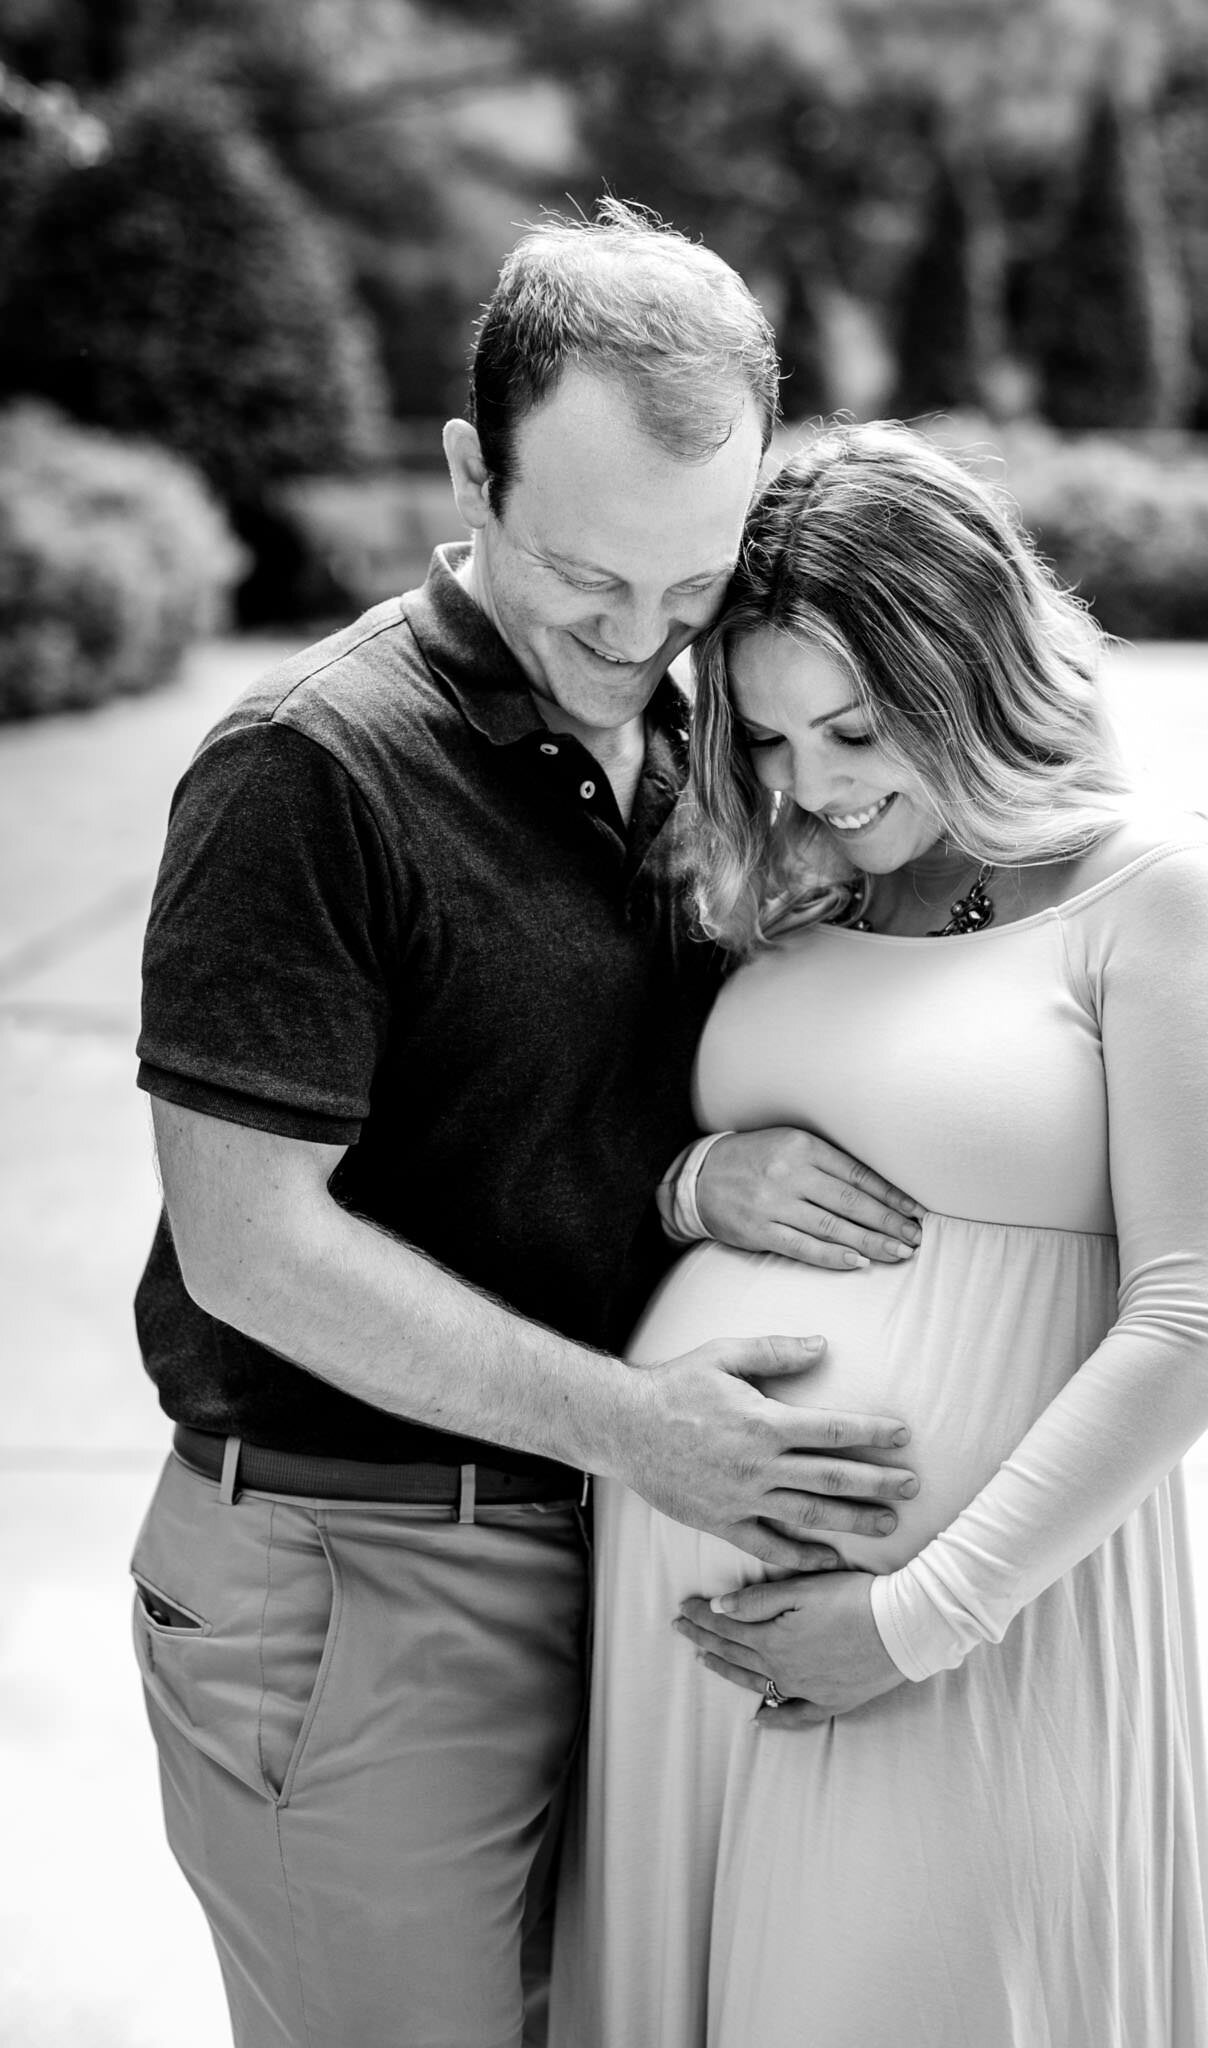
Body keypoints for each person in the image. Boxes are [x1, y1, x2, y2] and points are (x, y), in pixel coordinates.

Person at [127, 208, 928, 2048]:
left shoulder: (697, 738)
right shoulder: (307, 772)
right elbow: (255, 1247)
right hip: (355, 1583)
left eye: (690, 586)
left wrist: (682, 1175)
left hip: (615, 1552)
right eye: (586, 580)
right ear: (470, 469)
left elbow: (537, 1102)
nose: (638, 639)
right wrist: (645, 1430)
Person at [551, 421, 1208, 2048]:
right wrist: (690, 1187)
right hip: (691, 1650)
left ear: (970, 667)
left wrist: (910, 1620)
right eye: (769, 737)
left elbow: (1194, 1327)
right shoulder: (806, 881)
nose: (814, 782)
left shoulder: (1152, 894)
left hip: (964, 1643)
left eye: (857, 727)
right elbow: (624, 1148)